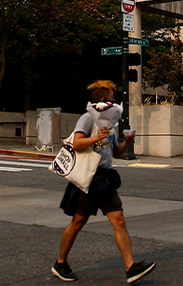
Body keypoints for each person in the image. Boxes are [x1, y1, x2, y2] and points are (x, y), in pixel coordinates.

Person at [53, 79, 156, 284]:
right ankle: (60, 263)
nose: (114, 97)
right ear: (102, 99)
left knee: (119, 220)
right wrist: (95, 138)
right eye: (111, 95)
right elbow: (77, 143)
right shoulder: (87, 118)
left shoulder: (110, 122)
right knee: (78, 221)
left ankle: (130, 267)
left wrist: (127, 142)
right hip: (88, 179)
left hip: (106, 179)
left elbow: (115, 153)